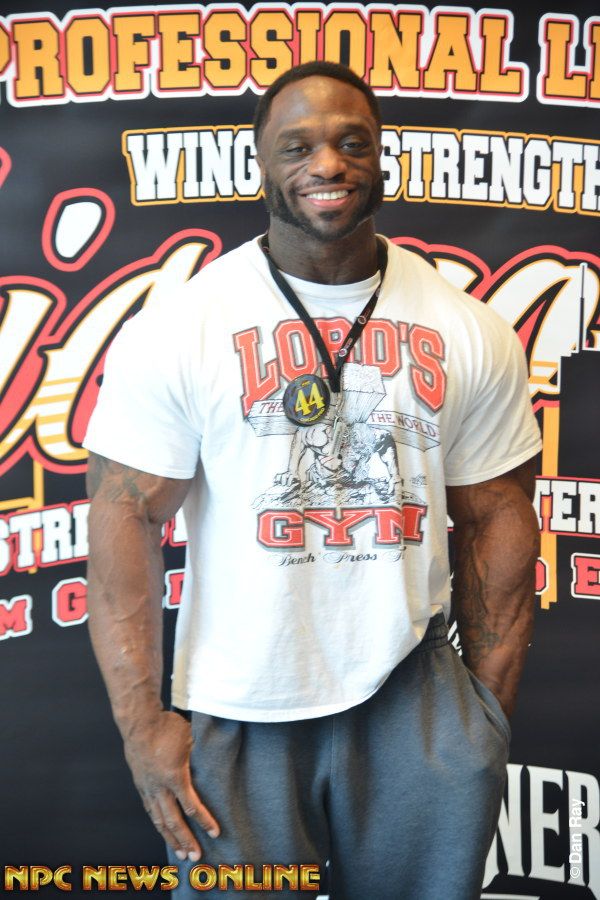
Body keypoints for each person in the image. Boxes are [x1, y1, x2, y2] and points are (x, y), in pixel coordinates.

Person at [84, 61, 542, 899]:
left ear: (381, 156)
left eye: (351, 142)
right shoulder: (182, 326)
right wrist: (143, 723)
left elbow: (501, 514)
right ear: (260, 162)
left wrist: (482, 716)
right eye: (297, 147)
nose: (327, 164)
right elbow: (124, 517)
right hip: (239, 697)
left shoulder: (467, 326)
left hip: (413, 694)